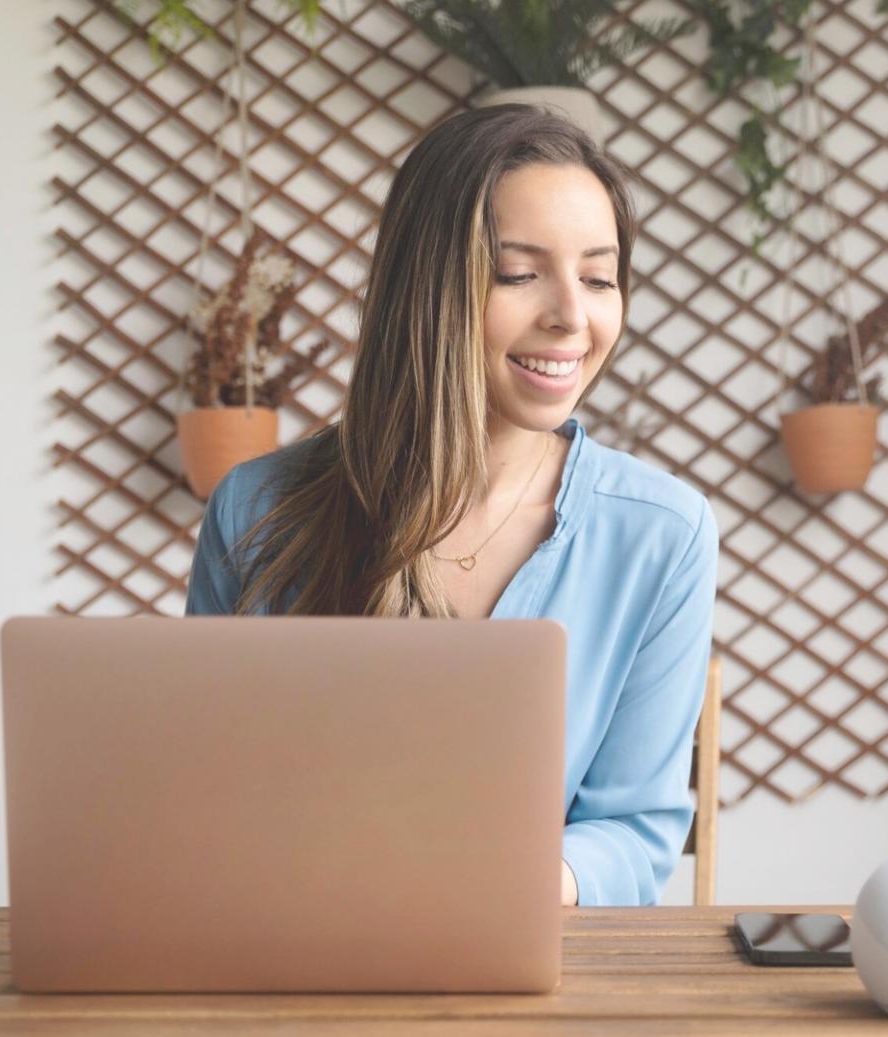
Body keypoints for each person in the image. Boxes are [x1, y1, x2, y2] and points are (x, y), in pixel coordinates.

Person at [185, 104, 719, 908]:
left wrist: (504, 887)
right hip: (289, 953)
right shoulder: (255, 509)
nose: (572, 316)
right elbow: (199, 800)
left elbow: (636, 829)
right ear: (427, 286)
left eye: (599, 276)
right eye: (519, 272)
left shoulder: (660, 535)